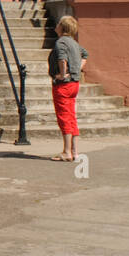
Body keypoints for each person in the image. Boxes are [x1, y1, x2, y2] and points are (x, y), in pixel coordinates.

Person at [49, 15, 88, 162]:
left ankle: (66, 151)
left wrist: (63, 74)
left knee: (64, 116)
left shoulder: (61, 42)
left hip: (64, 85)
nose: (57, 25)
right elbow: (85, 54)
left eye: (59, 23)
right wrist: (77, 70)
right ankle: (74, 151)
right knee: (71, 116)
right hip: (74, 84)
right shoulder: (74, 43)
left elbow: (62, 58)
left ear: (62, 27)